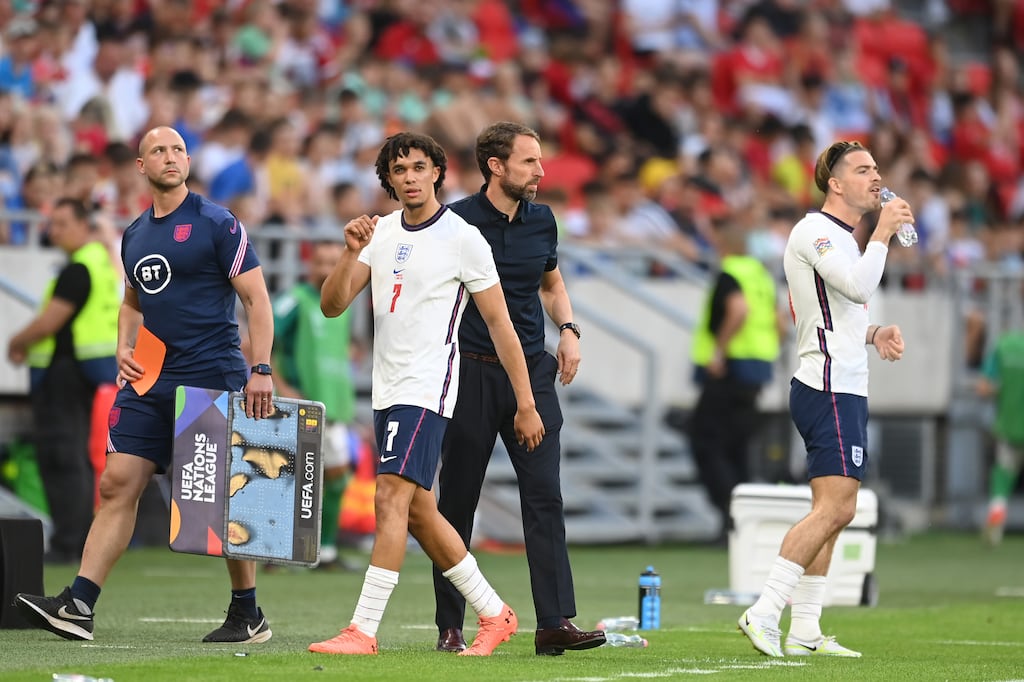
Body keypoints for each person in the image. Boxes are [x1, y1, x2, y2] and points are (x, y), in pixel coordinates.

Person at [14, 126, 277, 644]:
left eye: (178, 149)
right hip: (151, 380)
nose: (170, 157)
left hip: (211, 378)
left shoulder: (217, 223)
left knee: (221, 501)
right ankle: (80, 604)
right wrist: (122, 345)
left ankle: (247, 612)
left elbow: (256, 299)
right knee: (116, 483)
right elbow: (134, 299)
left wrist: (261, 368)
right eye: (158, 150)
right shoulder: (134, 234)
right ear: (141, 166)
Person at [308, 131, 545, 656]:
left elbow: (502, 325)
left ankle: (363, 630)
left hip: (428, 385)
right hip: (387, 387)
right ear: (388, 180)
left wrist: (525, 401)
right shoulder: (380, 231)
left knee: (390, 496)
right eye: (400, 170)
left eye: (419, 167)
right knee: (418, 511)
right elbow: (332, 305)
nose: (410, 177)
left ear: (437, 172)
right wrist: (349, 255)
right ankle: (494, 613)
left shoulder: (462, 237)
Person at [432, 121, 606, 656]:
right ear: (496, 166)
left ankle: (553, 623)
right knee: (457, 502)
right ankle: (451, 626)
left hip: (532, 370)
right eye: (530, 162)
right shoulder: (456, 221)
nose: (541, 171)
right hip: (470, 374)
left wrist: (570, 330)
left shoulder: (543, 220)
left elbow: (550, 283)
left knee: (545, 498)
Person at [737, 140, 913, 658]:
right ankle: (765, 610)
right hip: (827, 387)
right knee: (836, 509)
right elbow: (857, 288)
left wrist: (874, 332)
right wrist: (882, 229)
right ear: (835, 183)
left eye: (877, 168)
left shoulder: (840, 238)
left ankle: (806, 629)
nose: (875, 178)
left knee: (835, 512)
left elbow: (836, 314)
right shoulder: (814, 231)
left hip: (843, 384)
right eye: (862, 170)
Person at [7, 197, 120, 564]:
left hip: (65, 373)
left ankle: (67, 544)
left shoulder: (78, 269)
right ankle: (76, 539)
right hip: (83, 372)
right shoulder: (98, 264)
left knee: (61, 457)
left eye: (60, 224)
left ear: (82, 226)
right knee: (73, 457)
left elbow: (50, 322)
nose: (52, 231)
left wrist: (17, 341)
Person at [688, 216, 782, 544]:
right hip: (755, 371)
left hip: (729, 370)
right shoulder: (760, 275)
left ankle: (729, 513)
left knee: (706, 442)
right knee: (737, 447)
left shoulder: (731, 273)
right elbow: (779, 321)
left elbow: (737, 310)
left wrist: (719, 351)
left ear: (723, 244)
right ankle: (742, 523)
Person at [271, 240, 360, 569]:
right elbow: (262, 338)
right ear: (309, 265)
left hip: (332, 405)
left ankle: (327, 552)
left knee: (336, 479)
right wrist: (281, 386)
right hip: (298, 405)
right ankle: (275, 551)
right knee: (287, 479)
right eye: (320, 262)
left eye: (333, 263)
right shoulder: (294, 300)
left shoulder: (343, 301)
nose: (326, 269)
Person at [975, 327, 1024, 546]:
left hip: (1009, 426)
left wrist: (1003, 391)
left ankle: (995, 528)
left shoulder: (1004, 346)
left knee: (1002, 479)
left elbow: (984, 388)